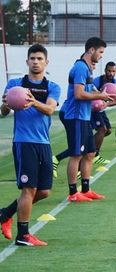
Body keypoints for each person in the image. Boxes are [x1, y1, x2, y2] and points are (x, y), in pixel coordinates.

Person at [0, 44, 60, 246]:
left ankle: (5, 213)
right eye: (32, 58)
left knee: (44, 191)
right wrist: (6, 104)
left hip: (44, 142)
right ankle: (23, 235)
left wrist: (33, 102)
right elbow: (4, 112)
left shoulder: (52, 87)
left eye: (39, 59)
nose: (35, 62)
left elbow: (50, 110)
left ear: (46, 62)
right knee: (29, 189)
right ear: (27, 61)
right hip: (24, 142)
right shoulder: (15, 84)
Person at [61, 37, 114, 202]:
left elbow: (91, 90)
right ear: (91, 50)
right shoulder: (80, 68)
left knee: (90, 153)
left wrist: (104, 97)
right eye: (100, 52)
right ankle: (72, 193)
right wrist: (100, 95)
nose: (101, 56)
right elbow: (78, 94)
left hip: (84, 117)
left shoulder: (87, 68)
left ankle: (85, 189)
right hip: (75, 116)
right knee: (76, 155)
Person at [91, 61, 116, 164]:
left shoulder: (115, 83)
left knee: (108, 131)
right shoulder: (97, 81)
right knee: (102, 129)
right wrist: (98, 99)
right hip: (93, 109)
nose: (111, 73)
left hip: (102, 109)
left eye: (113, 71)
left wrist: (106, 104)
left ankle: (88, 143)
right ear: (105, 70)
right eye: (109, 71)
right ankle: (95, 155)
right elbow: (90, 92)